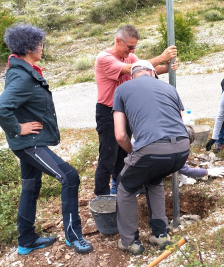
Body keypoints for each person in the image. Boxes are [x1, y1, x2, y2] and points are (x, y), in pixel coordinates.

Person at [0, 24, 93, 255]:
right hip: (28, 143)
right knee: (69, 176)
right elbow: (2, 107)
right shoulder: (22, 77)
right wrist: (17, 128)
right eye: (40, 44)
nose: (42, 47)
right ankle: (74, 236)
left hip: (29, 143)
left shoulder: (23, 71)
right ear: (30, 46)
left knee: (30, 187)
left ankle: (26, 240)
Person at [113, 60, 190, 255]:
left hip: (152, 149)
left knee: (125, 185)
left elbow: (121, 136)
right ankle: (161, 235)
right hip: (182, 149)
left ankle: (130, 241)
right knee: (154, 180)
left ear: (133, 76)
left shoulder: (123, 89)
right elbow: (184, 123)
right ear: (153, 73)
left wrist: (133, 153)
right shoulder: (169, 88)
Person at [94, 24, 179, 196]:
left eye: (134, 47)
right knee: (108, 157)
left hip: (126, 112)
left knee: (122, 155)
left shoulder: (131, 57)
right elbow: (133, 69)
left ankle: (117, 188)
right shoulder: (104, 58)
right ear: (118, 41)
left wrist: (168, 66)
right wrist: (161, 57)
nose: (132, 51)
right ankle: (101, 197)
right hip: (108, 112)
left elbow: (145, 71)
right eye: (129, 47)